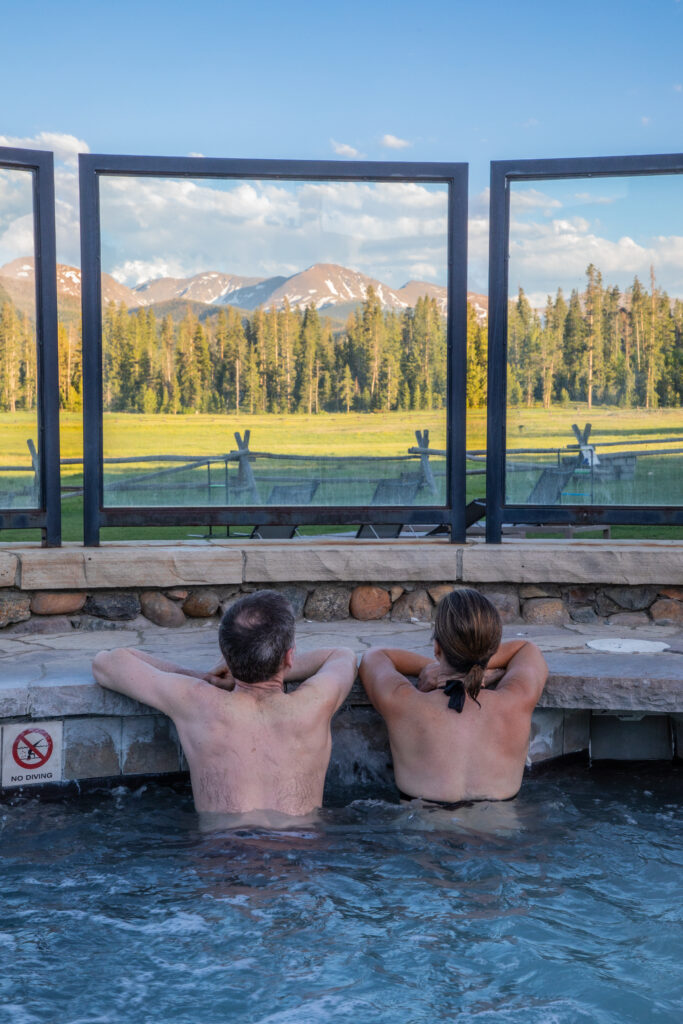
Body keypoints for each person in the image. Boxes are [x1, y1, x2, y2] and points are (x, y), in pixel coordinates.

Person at [92, 589, 357, 816]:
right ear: (289, 657)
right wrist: (272, 663)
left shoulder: (196, 701)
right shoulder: (314, 703)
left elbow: (108, 663)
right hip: (298, 861)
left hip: (224, 859)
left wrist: (200, 676)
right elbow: (342, 655)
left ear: (226, 657)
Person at [358, 587, 548, 806]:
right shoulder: (518, 700)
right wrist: (474, 667)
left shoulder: (402, 701)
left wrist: (434, 669)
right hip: (498, 833)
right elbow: (527, 648)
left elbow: (374, 656)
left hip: (422, 833)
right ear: (493, 650)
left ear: (437, 648)